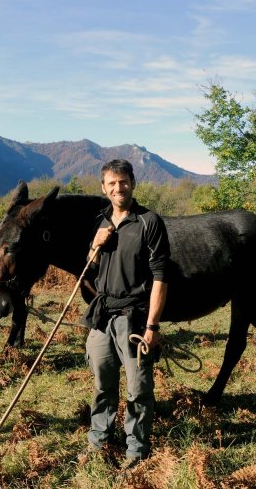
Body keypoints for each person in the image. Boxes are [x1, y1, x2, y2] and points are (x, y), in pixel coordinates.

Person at [81, 159, 170, 470]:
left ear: (133, 183)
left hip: (134, 317)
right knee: (103, 385)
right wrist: (96, 244)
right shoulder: (100, 222)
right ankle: (99, 442)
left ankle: (137, 451)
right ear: (104, 188)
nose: (118, 188)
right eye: (112, 183)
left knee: (138, 389)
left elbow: (161, 277)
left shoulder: (149, 222)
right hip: (102, 316)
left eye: (123, 181)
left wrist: (152, 326)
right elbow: (89, 271)